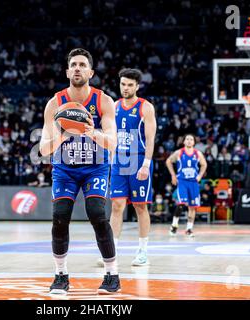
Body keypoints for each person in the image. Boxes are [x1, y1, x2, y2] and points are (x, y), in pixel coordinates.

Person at [39, 48, 119, 294]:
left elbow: (113, 142)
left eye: (82, 65)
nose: (77, 68)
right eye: (73, 64)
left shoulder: (103, 101)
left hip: (95, 167)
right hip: (65, 169)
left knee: (97, 213)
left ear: (91, 72)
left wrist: (91, 132)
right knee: (60, 216)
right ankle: (60, 275)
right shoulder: (55, 103)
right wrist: (61, 137)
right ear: (67, 71)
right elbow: (43, 149)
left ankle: (112, 275)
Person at [107, 68, 157, 266]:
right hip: (118, 161)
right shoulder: (114, 106)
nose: (125, 88)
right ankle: (111, 251)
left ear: (137, 86)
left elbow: (151, 139)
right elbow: (111, 135)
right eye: (123, 84)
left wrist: (146, 164)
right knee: (116, 205)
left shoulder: (146, 107)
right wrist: (110, 160)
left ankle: (143, 251)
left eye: (129, 85)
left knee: (140, 206)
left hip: (138, 160)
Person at [165, 134, 207, 237]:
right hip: (183, 181)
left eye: (191, 139)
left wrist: (200, 176)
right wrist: (173, 175)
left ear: (194, 142)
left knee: (193, 207)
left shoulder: (198, 154)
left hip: (193, 182)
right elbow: (168, 161)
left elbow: (204, 164)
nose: (189, 141)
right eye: (187, 139)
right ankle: (174, 225)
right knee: (181, 203)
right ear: (184, 142)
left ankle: (189, 228)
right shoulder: (179, 152)